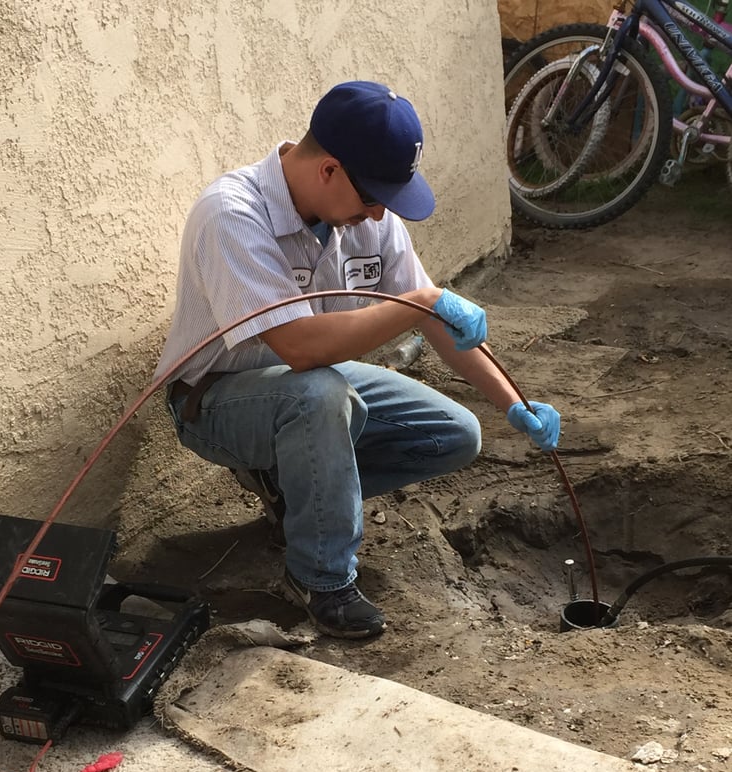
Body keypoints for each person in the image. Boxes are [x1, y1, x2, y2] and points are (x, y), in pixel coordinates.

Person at [154, 80, 560, 640]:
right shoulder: (232, 214)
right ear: (329, 171)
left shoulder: (369, 215)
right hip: (218, 399)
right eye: (373, 196)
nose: (377, 214)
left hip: (313, 384)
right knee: (320, 397)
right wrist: (419, 304)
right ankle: (320, 579)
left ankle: (298, 502)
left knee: (455, 433)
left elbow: (436, 320)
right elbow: (299, 347)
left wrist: (513, 404)